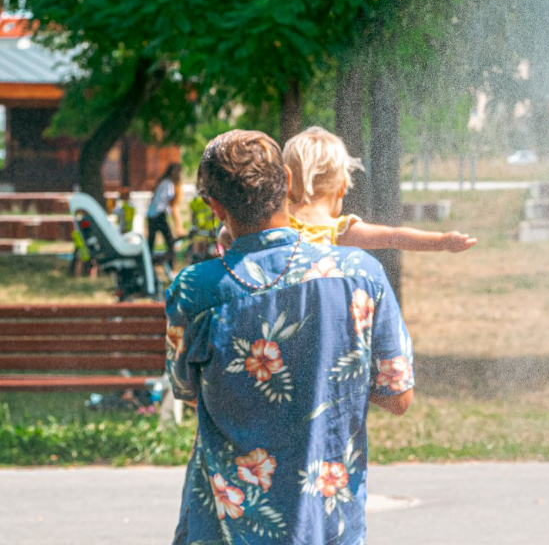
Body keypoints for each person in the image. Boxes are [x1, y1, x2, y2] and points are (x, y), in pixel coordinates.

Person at [165, 130, 414, 544]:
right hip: (325, 524)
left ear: (214, 204)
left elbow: (186, 390)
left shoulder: (195, 290)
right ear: (286, 179)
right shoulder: (360, 275)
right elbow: (397, 395)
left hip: (225, 527)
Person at [280, 126, 477, 253]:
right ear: (341, 188)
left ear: (287, 184)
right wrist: (441, 241)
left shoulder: (277, 220)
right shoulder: (339, 232)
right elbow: (393, 237)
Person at [147, 163, 183, 265]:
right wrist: (178, 225)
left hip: (151, 214)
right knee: (170, 242)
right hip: (159, 215)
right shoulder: (168, 184)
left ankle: (148, 265)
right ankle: (171, 266)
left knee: (151, 243)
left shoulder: (162, 182)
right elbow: (171, 205)